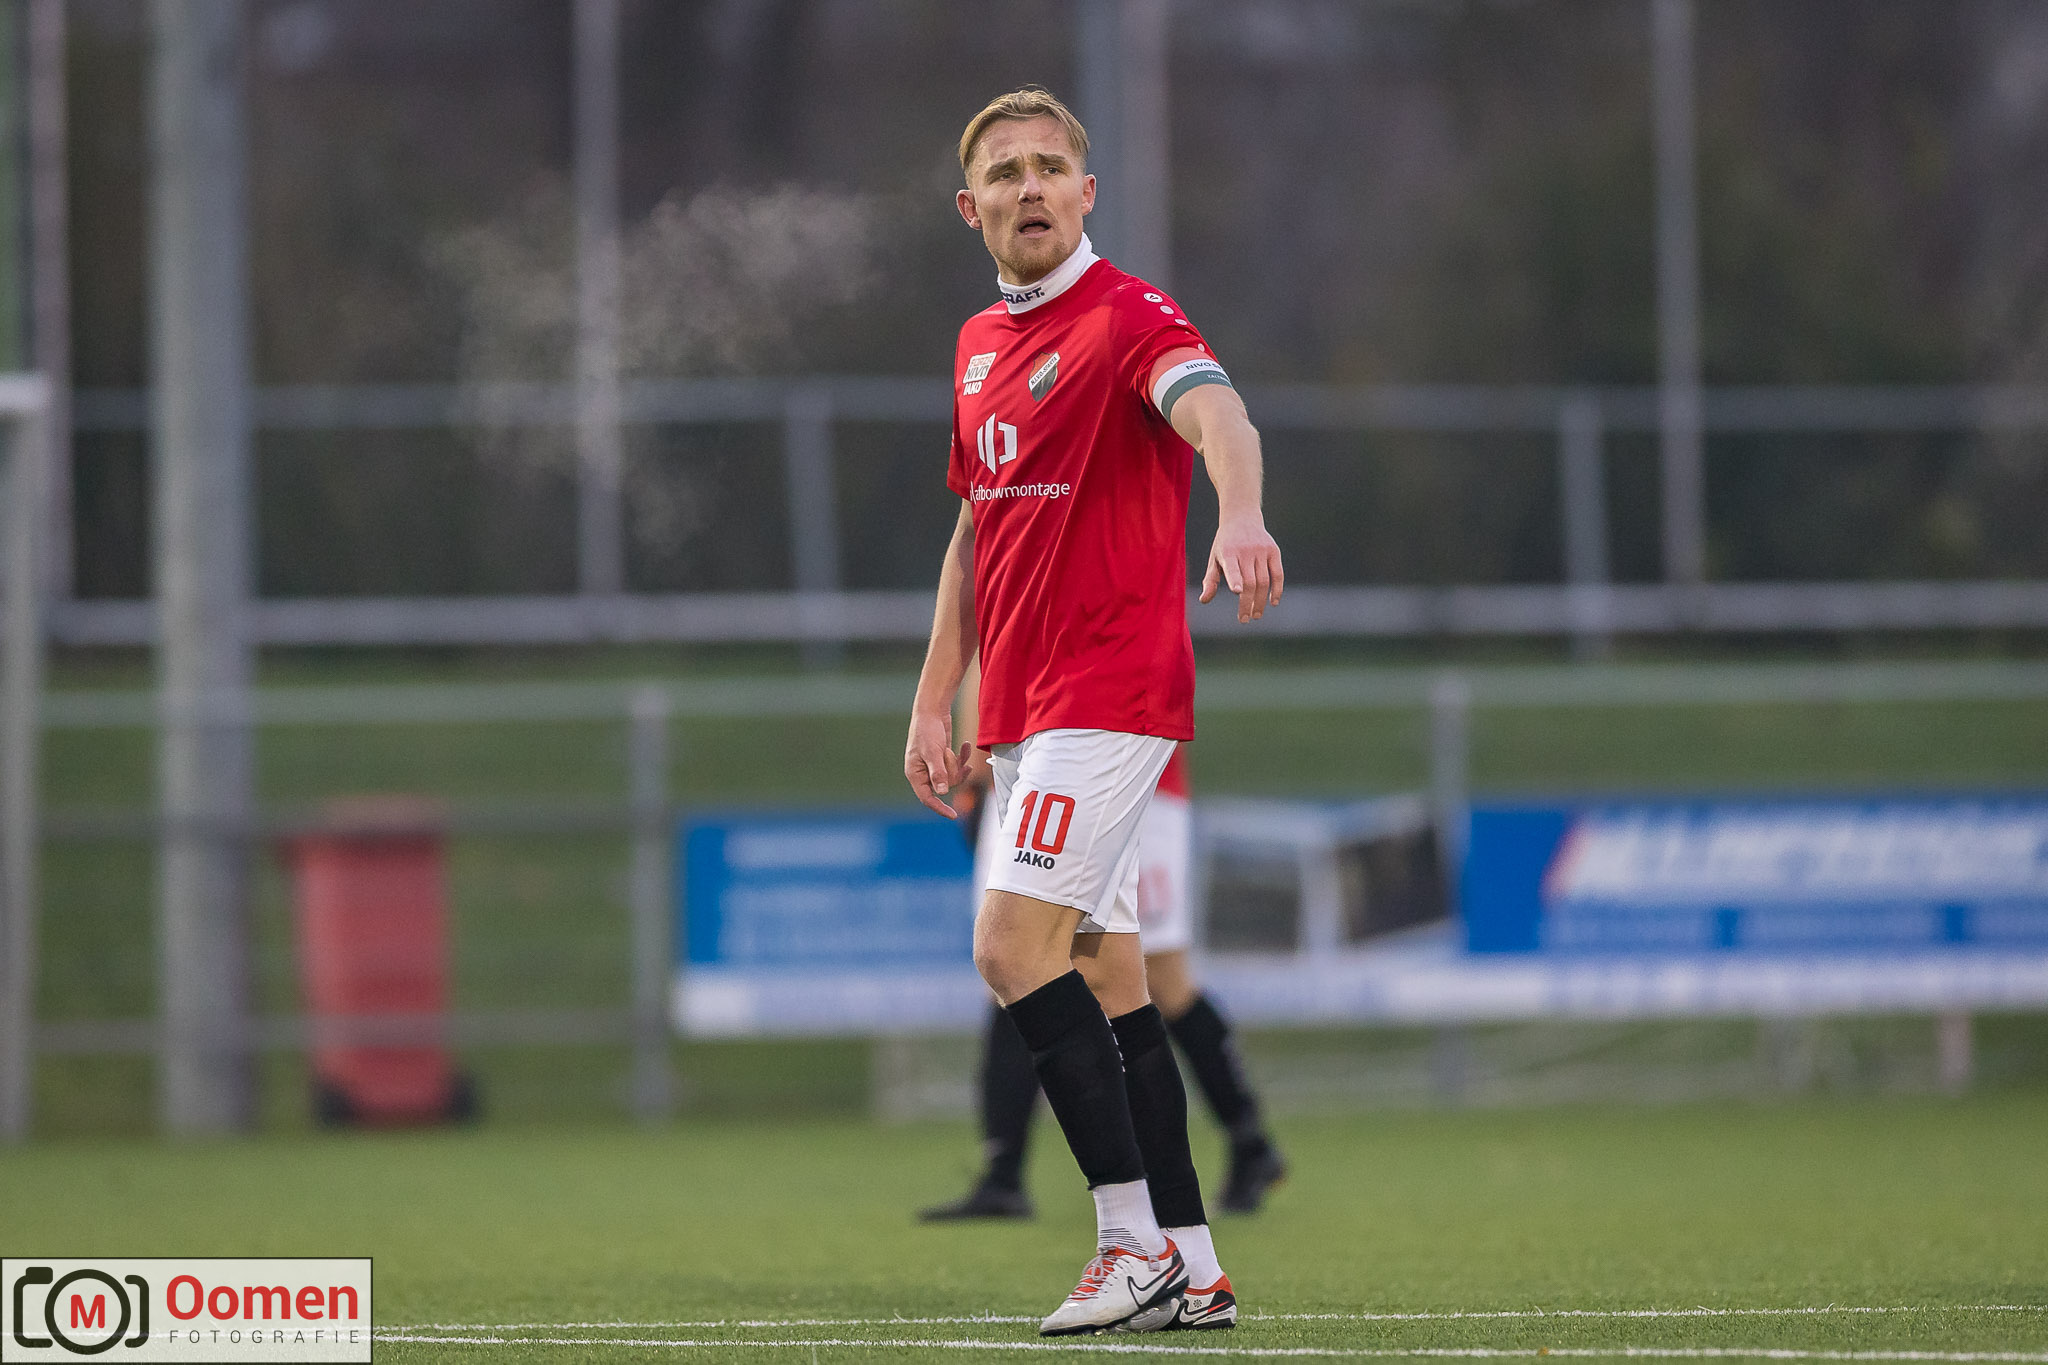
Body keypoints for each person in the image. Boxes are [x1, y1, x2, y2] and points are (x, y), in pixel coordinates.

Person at [903, 87, 1284, 1337]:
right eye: (1003, 172)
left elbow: (1217, 412)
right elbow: (975, 533)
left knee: (1008, 950)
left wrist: (1238, 511)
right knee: (1110, 977)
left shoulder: (1128, 317)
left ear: (1085, 193)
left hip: (1106, 693)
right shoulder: (975, 344)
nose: (1028, 186)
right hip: (1021, 713)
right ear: (969, 208)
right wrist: (935, 698)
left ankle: (1128, 1246)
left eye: (1048, 166)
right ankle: (1195, 1264)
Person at [922, 677, 1288, 1225]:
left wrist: (974, 763)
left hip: (1118, 765)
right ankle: (1005, 1172)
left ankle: (1241, 1143)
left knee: (1153, 978)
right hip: (1025, 766)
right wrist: (977, 764)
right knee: (1011, 962)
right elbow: (983, 648)